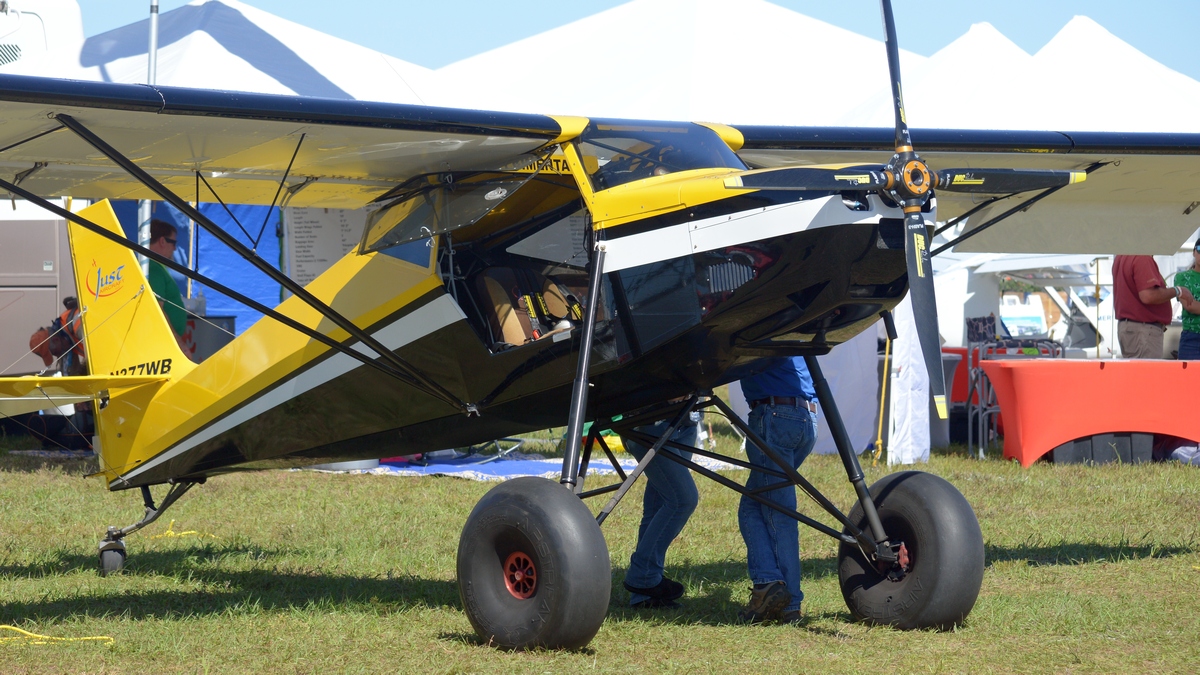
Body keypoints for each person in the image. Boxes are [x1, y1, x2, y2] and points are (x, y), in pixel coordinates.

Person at [735, 356, 819, 625]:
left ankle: (782, 597)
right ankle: (771, 587)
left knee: (777, 512)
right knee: (754, 504)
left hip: (774, 415)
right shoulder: (792, 333)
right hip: (806, 418)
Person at [619, 411, 700, 609]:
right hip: (650, 421)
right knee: (682, 500)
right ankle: (643, 576)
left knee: (659, 503)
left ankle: (643, 596)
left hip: (685, 420)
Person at [1112, 254, 1191, 358]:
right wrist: (1177, 291)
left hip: (1131, 328)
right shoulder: (1142, 257)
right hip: (1143, 331)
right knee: (1147, 369)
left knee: (1136, 368)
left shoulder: (1122, 256)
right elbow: (1148, 295)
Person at [148, 219, 188, 340]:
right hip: (164, 341)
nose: (175, 249)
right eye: (173, 243)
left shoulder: (156, 267)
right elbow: (157, 310)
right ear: (162, 241)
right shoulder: (153, 269)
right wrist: (176, 339)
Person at [1173, 241, 1200, 360]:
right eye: (1199, 249)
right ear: (1194, 252)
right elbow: (1190, 305)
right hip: (1191, 337)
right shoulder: (1182, 277)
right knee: (1188, 372)